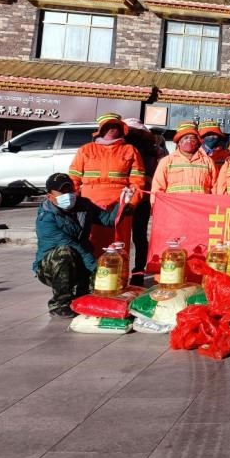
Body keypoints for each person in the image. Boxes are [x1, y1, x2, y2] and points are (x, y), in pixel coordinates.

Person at [34, 173, 132, 317]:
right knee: (65, 252)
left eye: (69, 190)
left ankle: (80, 292)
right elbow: (71, 245)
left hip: (80, 260)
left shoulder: (84, 205)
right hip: (52, 267)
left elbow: (107, 220)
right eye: (62, 192)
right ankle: (59, 304)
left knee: (98, 291)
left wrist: (122, 203)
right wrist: (94, 267)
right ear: (50, 196)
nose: (67, 195)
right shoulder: (46, 218)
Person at [68, 113, 145, 257]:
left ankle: (118, 272)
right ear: (101, 129)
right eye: (108, 126)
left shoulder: (130, 150)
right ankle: (91, 271)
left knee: (118, 246)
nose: (112, 129)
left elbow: (138, 181)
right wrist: (74, 202)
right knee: (91, 244)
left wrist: (131, 204)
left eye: (115, 126)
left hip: (120, 206)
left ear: (121, 129)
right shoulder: (85, 149)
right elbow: (74, 179)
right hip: (90, 205)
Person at [123, 118, 164, 284]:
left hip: (141, 197)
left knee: (138, 236)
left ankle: (138, 272)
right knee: (126, 237)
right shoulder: (122, 149)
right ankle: (125, 271)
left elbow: (159, 175)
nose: (134, 135)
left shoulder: (155, 152)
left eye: (136, 132)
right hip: (124, 198)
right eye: (131, 132)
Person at [151, 122, 216, 197]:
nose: (189, 140)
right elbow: (157, 188)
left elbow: (215, 189)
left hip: (201, 204)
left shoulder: (208, 162)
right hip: (174, 204)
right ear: (178, 142)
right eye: (185, 138)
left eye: (192, 138)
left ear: (197, 141)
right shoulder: (166, 161)